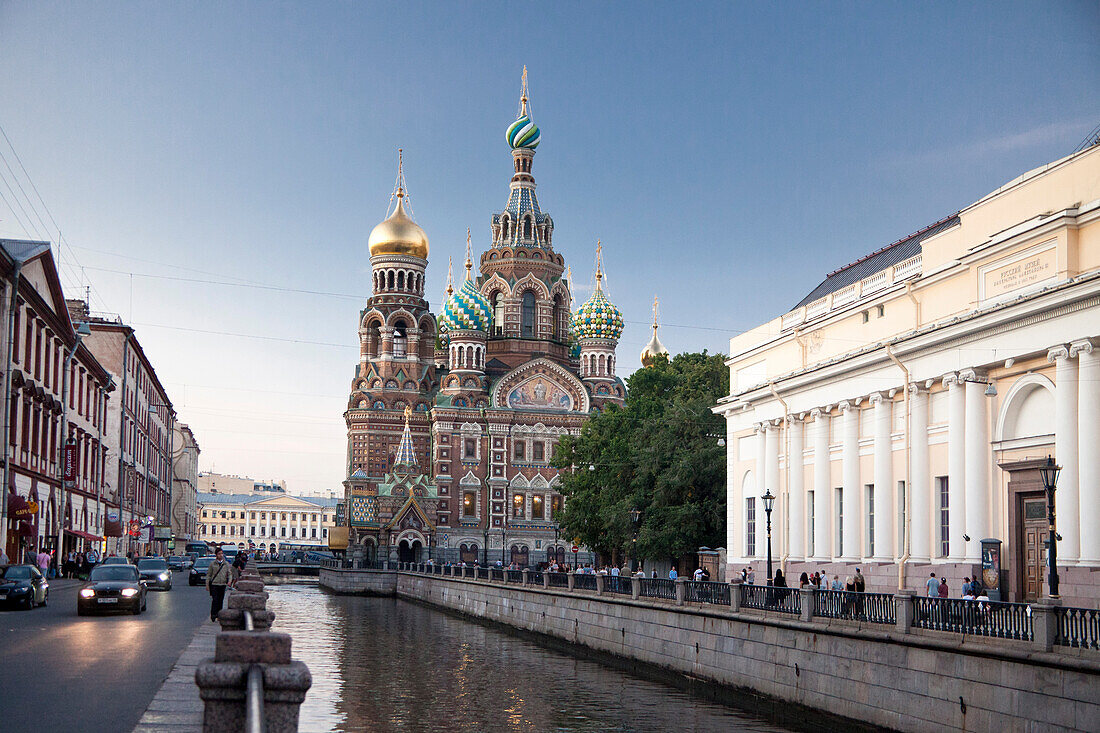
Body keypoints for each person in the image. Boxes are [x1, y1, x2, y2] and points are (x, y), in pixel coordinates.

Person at [206, 549, 233, 623]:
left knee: (220, 600)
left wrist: (230, 581)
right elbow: (209, 575)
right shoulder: (212, 564)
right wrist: (207, 585)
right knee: (215, 600)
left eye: (222, 554)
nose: (221, 555)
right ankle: (213, 614)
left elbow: (229, 573)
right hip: (214, 584)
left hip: (222, 584)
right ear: (216, 555)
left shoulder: (226, 564)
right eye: (219, 554)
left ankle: (219, 615)